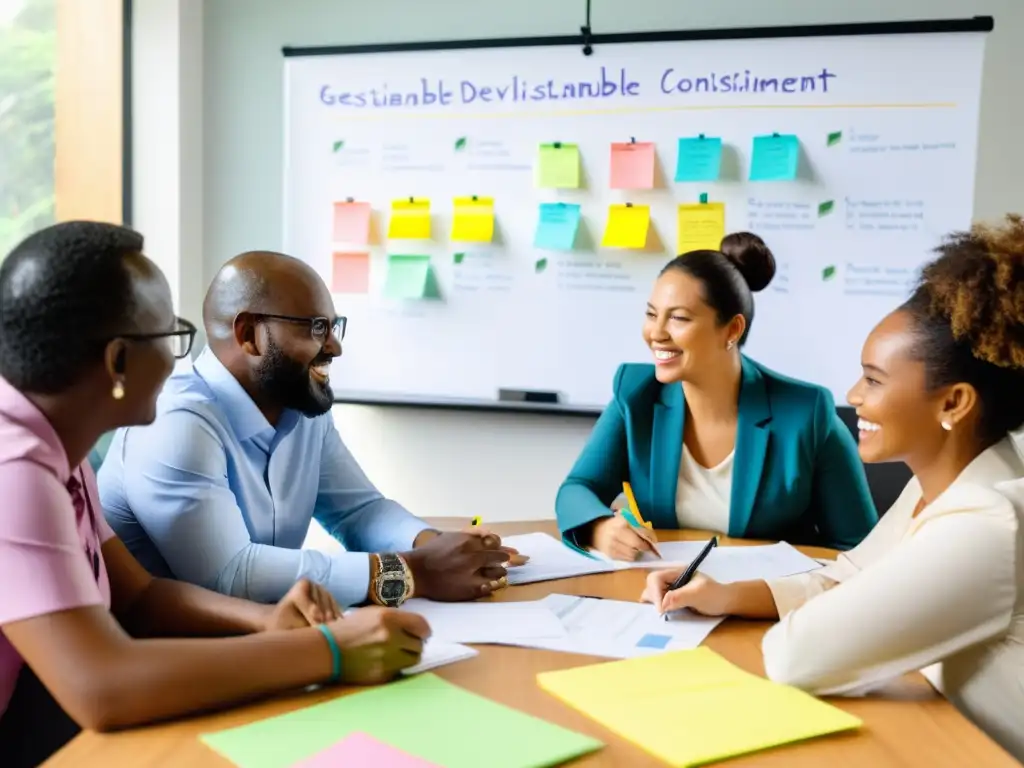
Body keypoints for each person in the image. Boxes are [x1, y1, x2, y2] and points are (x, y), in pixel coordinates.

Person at [0, 222, 430, 767]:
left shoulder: (59, 444)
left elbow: (140, 597)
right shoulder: (14, 469)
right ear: (117, 361)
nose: (183, 359)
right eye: (170, 336)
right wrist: (327, 652)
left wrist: (264, 622)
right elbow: (101, 686)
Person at [640, 215, 1024, 763]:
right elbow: (850, 575)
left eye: (874, 379)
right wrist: (727, 595)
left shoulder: (988, 521)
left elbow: (798, 657)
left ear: (953, 403)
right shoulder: (945, 484)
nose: (853, 395)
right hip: (945, 733)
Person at [98, 250, 518, 609]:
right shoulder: (176, 421)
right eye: (316, 327)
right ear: (249, 335)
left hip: (264, 636)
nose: (334, 346)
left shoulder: (296, 404)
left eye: (334, 327)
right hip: (174, 656)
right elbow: (228, 575)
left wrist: (437, 547)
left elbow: (358, 512)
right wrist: (413, 571)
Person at [556, 232, 878, 559]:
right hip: (666, 596)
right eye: (652, 314)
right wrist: (598, 528)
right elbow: (577, 488)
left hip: (771, 602)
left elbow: (860, 552)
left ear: (732, 330)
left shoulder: (806, 414)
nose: (656, 333)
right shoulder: (637, 395)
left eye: (679, 318)